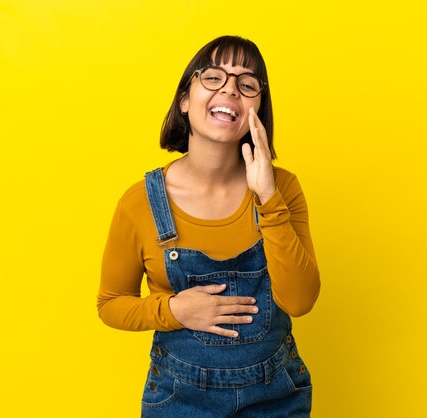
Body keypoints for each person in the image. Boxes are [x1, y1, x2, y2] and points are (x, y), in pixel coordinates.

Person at [97, 35, 320, 417]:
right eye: (214, 77)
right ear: (185, 100)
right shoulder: (139, 203)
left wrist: (267, 195)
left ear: (257, 109)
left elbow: (300, 301)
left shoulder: (282, 189)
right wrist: (175, 310)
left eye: (247, 84)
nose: (230, 89)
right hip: (179, 400)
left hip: (276, 398)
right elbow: (110, 304)